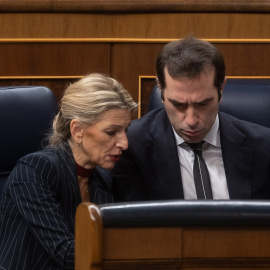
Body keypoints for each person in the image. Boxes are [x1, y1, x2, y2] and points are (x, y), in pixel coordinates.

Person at [0, 73, 137, 270]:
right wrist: (143, 248)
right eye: (111, 132)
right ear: (77, 130)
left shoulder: (102, 177)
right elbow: (66, 254)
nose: (124, 143)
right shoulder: (35, 170)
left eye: (125, 130)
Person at [112, 37, 270, 201]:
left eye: (203, 104)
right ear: (161, 89)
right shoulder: (131, 147)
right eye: (178, 105)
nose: (191, 120)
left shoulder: (263, 147)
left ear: (221, 88)